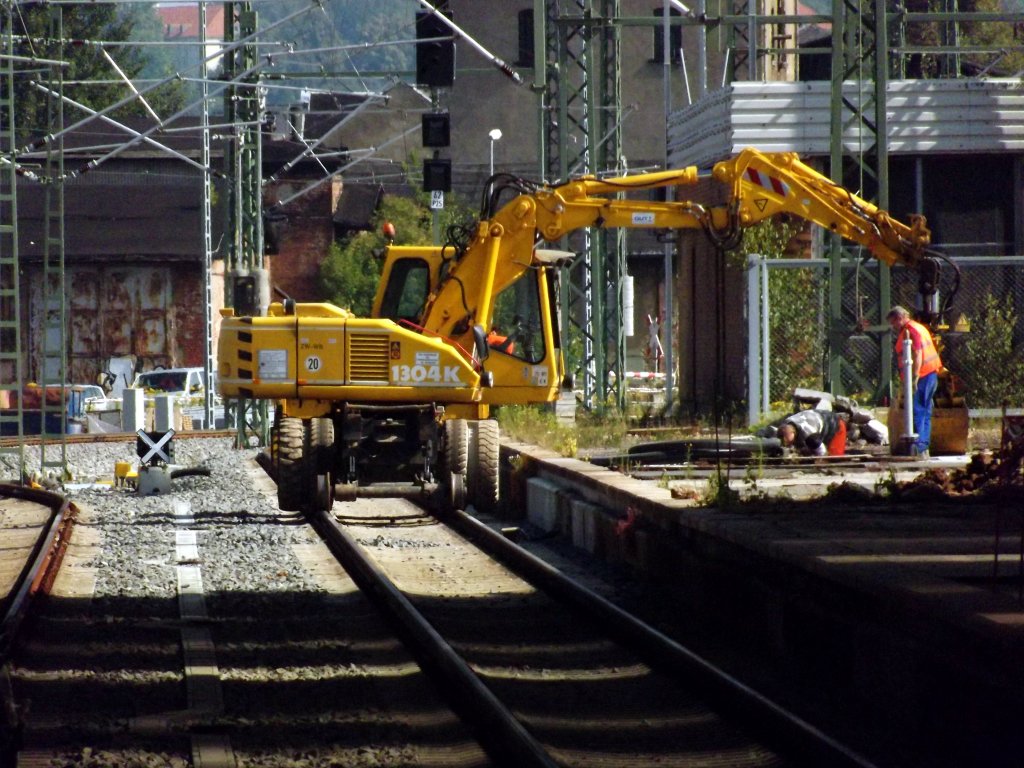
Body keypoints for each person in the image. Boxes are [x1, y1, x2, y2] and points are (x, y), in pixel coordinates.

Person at [886, 305, 942, 457]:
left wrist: (914, 377)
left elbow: (917, 353)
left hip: (923, 376)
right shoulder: (919, 327)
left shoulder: (910, 331)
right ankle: (923, 446)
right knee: (925, 410)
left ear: (900, 318)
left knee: (918, 410)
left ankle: (919, 447)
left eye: (894, 323)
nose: (894, 326)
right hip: (930, 374)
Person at [777, 408, 848, 456]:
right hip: (818, 420)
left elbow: (822, 452)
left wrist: (821, 460)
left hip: (835, 425)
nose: (784, 440)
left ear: (793, 432)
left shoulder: (809, 433)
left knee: (834, 458)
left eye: (785, 437)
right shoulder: (786, 422)